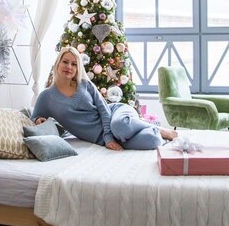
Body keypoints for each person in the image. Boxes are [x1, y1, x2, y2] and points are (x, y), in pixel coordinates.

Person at [31, 46, 177, 151]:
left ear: (77, 68)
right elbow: (34, 117)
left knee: (120, 127)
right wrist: (38, 120)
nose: (69, 66)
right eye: (65, 62)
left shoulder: (84, 84)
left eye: (74, 64)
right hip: (102, 138)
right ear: (57, 64)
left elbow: (103, 107)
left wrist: (108, 137)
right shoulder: (46, 96)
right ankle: (156, 133)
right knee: (152, 140)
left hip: (115, 114)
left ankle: (160, 129)